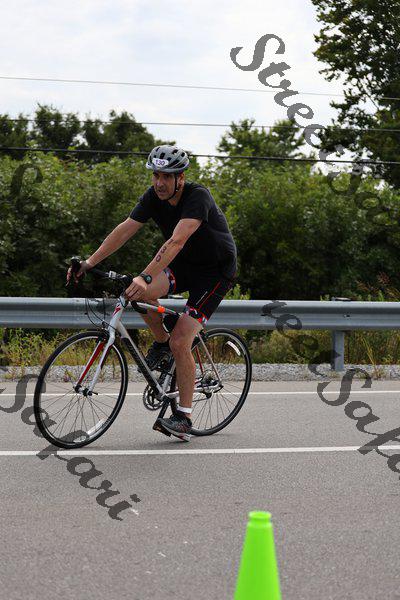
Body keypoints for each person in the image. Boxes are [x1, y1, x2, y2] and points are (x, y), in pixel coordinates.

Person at [67, 144, 237, 441]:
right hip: (185, 266)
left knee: (181, 341)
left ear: (180, 178)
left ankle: (184, 417)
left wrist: (146, 276)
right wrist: (90, 263)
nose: (159, 182)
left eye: (166, 177)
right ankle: (161, 342)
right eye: (156, 175)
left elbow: (176, 241)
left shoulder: (198, 196)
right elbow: (125, 229)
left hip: (215, 272)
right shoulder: (152, 197)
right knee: (136, 294)